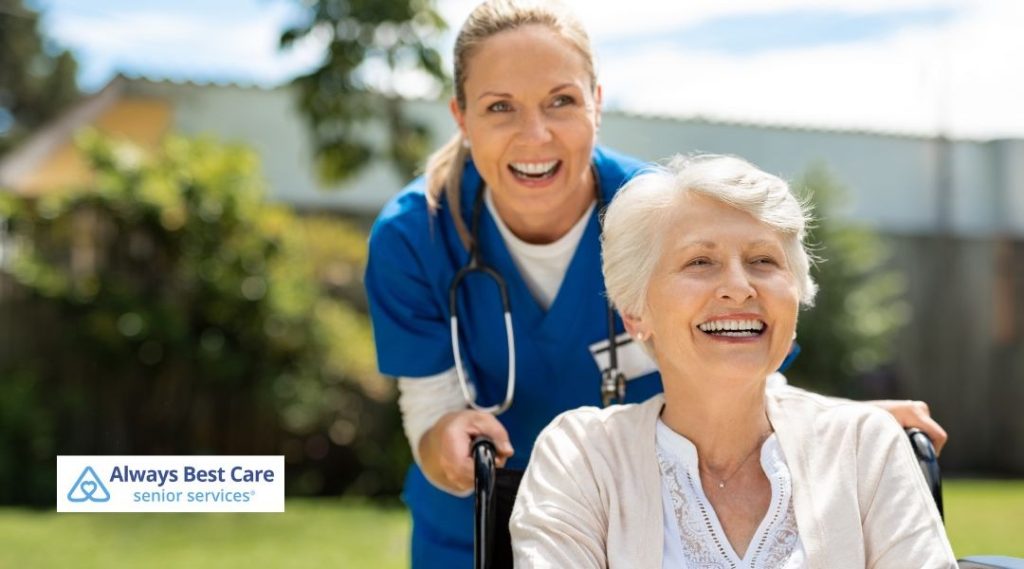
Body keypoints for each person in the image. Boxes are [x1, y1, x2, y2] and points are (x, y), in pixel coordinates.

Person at [364, 1, 947, 566]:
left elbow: (742, 352)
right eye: (500, 108)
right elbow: (430, 403)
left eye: (560, 101)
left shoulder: (667, 219)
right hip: (473, 528)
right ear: (461, 117)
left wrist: (845, 433)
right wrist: (445, 440)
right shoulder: (414, 237)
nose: (535, 134)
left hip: (652, 518)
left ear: (596, 103)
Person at [509, 154, 957, 568]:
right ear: (635, 311)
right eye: (701, 261)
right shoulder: (580, 457)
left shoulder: (863, 446)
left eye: (763, 260)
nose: (740, 287)